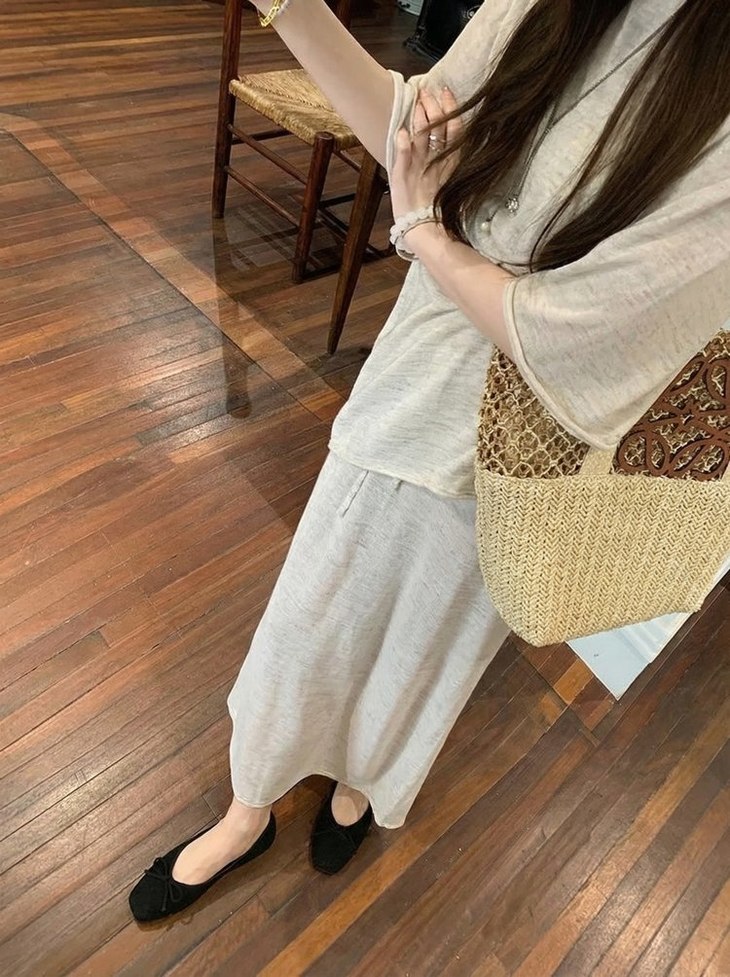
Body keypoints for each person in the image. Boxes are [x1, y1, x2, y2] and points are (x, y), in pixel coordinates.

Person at [129, 0, 730, 921]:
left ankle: (361, 787)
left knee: (430, 647)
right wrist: (293, 8)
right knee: (310, 618)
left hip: (535, 451)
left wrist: (422, 231)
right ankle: (247, 810)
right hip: (418, 381)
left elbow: (580, 336)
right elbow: (417, 130)